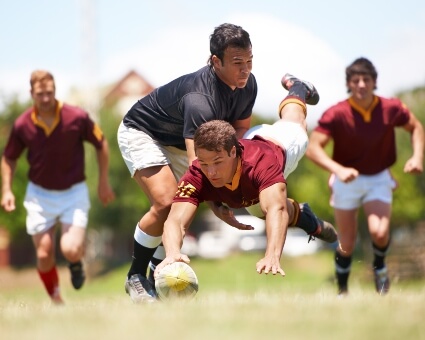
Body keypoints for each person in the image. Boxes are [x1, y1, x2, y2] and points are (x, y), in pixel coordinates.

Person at [147, 75, 338, 302]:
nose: (211, 172)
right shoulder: (199, 171)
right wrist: (172, 253)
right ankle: (307, 218)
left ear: (233, 152)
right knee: (255, 209)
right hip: (247, 149)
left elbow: (276, 210)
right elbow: (176, 220)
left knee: (295, 123)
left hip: (280, 142)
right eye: (205, 163)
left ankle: (297, 88)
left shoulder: (262, 164)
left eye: (217, 162)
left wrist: (272, 255)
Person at [117, 23, 257, 301]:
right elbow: (199, 165)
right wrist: (218, 201)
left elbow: (240, 131)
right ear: (216, 62)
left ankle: (160, 272)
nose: (246, 69)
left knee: (183, 208)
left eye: (250, 61)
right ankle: (135, 276)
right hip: (143, 132)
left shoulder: (247, 84)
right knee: (168, 201)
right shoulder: (199, 99)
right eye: (238, 62)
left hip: (184, 142)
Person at [305, 57, 424, 296]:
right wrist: (337, 169)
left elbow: (416, 127)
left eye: (366, 79)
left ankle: (380, 268)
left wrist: (417, 157)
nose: (361, 84)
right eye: (355, 80)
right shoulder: (337, 113)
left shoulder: (391, 108)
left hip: (379, 177)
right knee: (346, 243)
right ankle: (342, 290)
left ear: (374, 82)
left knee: (379, 232)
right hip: (346, 180)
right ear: (349, 83)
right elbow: (313, 148)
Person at [1, 70, 116, 304]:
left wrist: (103, 181)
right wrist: (7, 189)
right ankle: (56, 299)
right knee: (43, 253)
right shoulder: (22, 124)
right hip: (39, 195)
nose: (46, 98)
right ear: (32, 93)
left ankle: (75, 262)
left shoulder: (76, 117)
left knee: (70, 248)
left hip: (73, 192)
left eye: (50, 93)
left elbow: (101, 143)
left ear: (55, 91)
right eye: (40, 94)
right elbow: (9, 157)